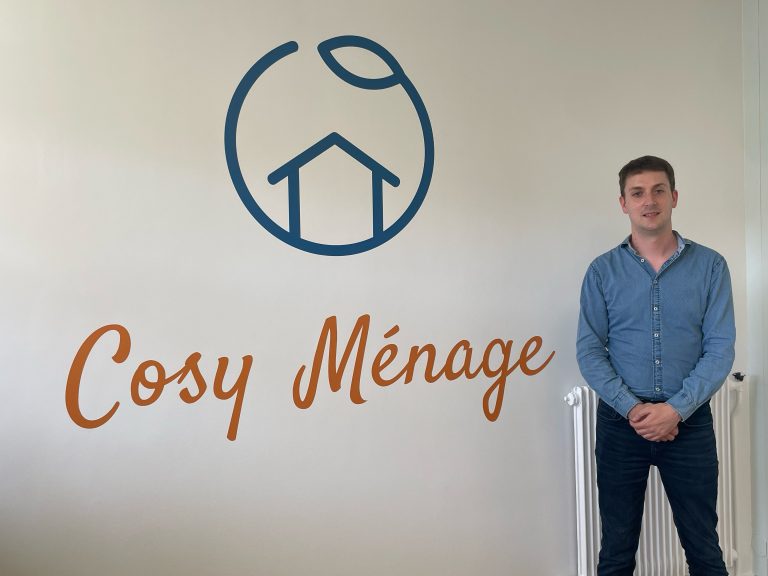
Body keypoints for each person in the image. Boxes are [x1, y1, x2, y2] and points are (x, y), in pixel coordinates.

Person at [576, 155, 735, 575]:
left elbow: (720, 349)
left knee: (704, 550)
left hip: (690, 424)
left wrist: (675, 410)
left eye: (658, 190)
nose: (649, 201)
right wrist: (632, 408)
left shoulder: (711, 267)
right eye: (638, 193)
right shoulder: (601, 272)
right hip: (620, 425)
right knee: (616, 552)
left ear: (674, 197)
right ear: (623, 203)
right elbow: (589, 350)